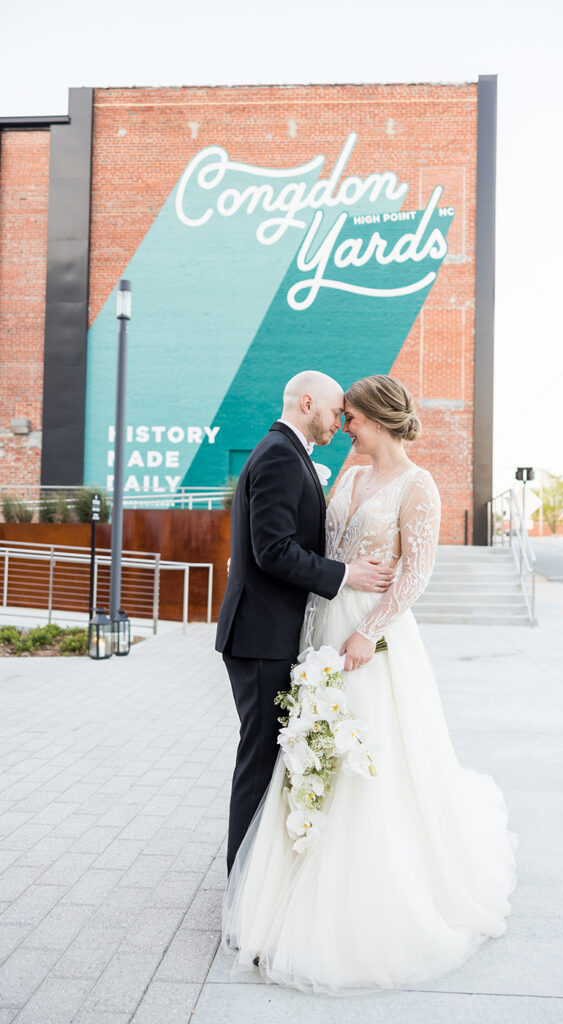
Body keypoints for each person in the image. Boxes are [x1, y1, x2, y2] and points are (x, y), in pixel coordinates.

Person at [222, 373, 519, 994]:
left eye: (351, 418)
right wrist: (339, 587)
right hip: (320, 627)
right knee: (303, 754)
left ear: (377, 421)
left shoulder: (420, 486)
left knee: (368, 764)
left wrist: (369, 633)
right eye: (339, 415)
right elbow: (314, 549)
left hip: (370, 639)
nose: (342, 427)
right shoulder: (347, 478)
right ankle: (275, 884)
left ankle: (356, 891)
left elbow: (415, 575)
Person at [216, 370, 396, 875]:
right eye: (337, 412)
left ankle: (256, 881)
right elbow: (272, 550)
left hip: (268, 631)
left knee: (269, 760)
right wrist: (346, 574)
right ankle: (242, 889)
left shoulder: (286, 453)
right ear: (309, 402)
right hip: (259, 636)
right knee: (258, 765)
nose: (340, 423)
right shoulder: (278, 454)